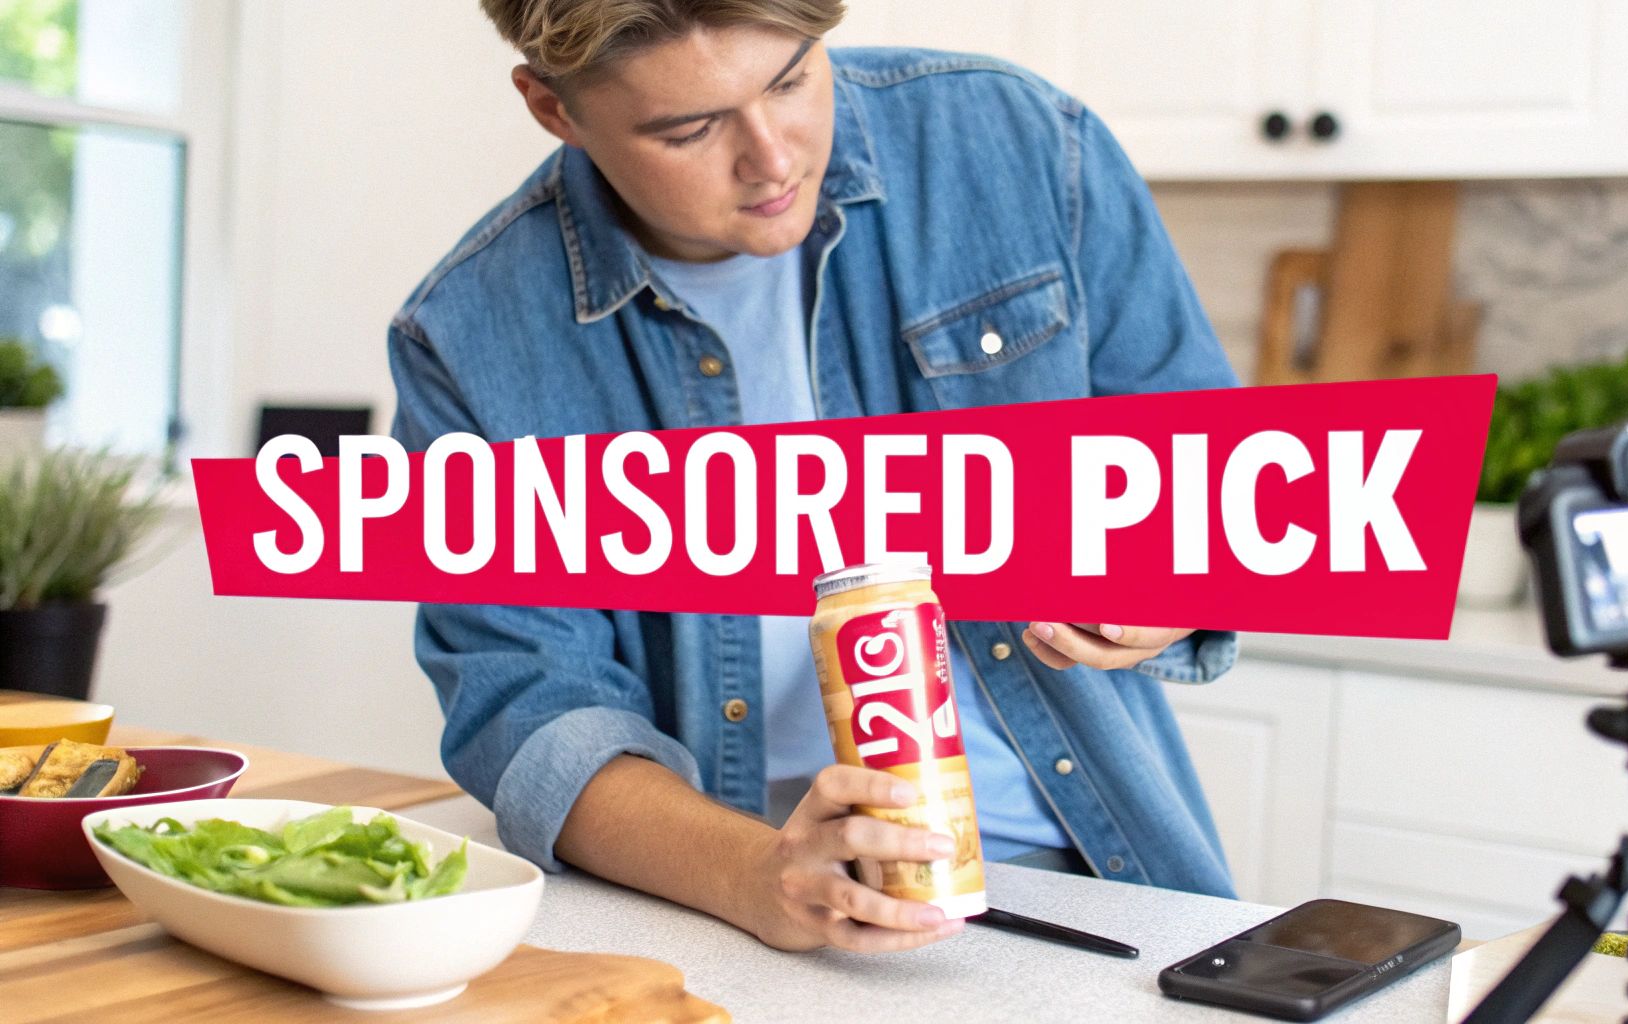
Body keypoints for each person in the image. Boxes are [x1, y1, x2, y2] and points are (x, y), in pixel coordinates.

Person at [388, 0, 1241, 955]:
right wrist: (752, 875)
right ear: (553, 109)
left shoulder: (1024, 140)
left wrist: (1162, 575)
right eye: (690, 128)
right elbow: (533, 712)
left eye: (792, 78)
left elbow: (1205, 484)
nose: (773, 157)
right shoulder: (467, 337)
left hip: (1095, 870)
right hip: (732, 897)